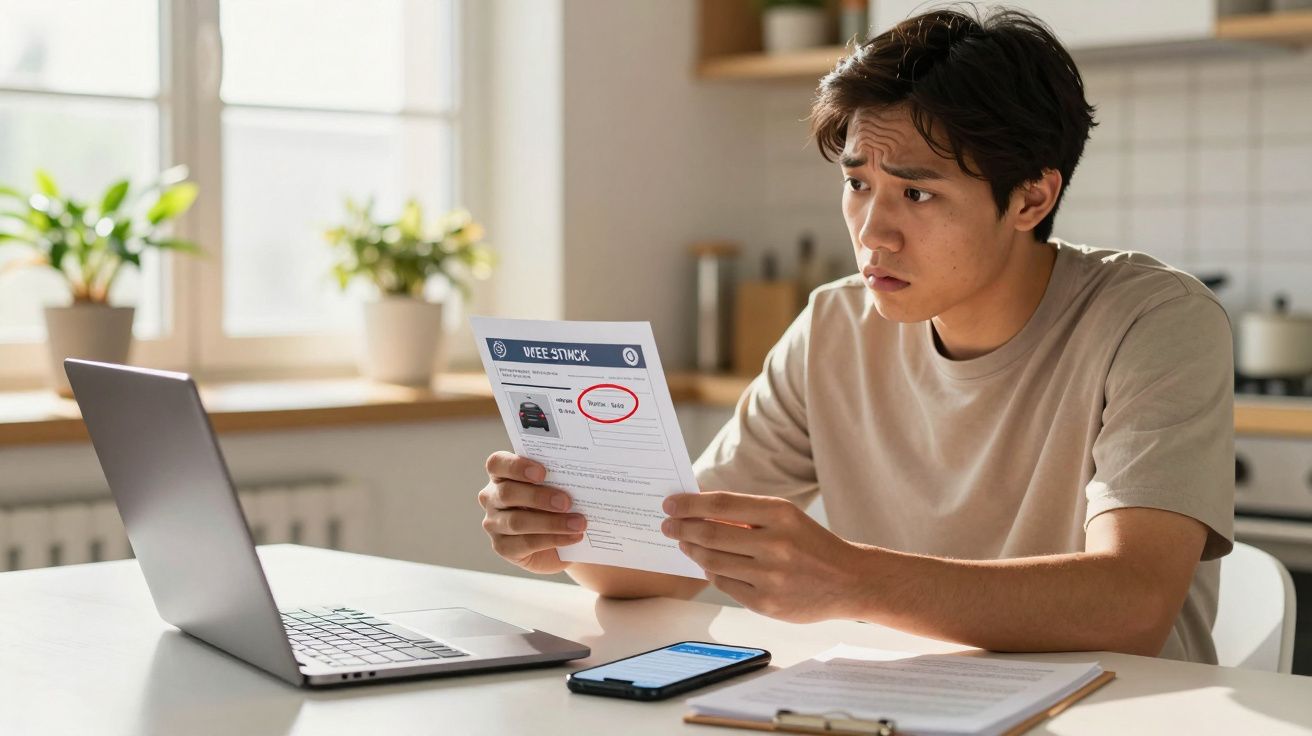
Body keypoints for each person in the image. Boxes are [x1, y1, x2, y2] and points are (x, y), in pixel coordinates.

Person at [477, 7, 1234, 664]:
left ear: (1032, 196)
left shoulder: (1154, 320)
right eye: (857, 183)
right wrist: (571, 535)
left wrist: (853, 579)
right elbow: (675, 557)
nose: (873, 231)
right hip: (902, 706)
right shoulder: (835, 326)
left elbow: (1133, 604)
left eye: (916, 191)